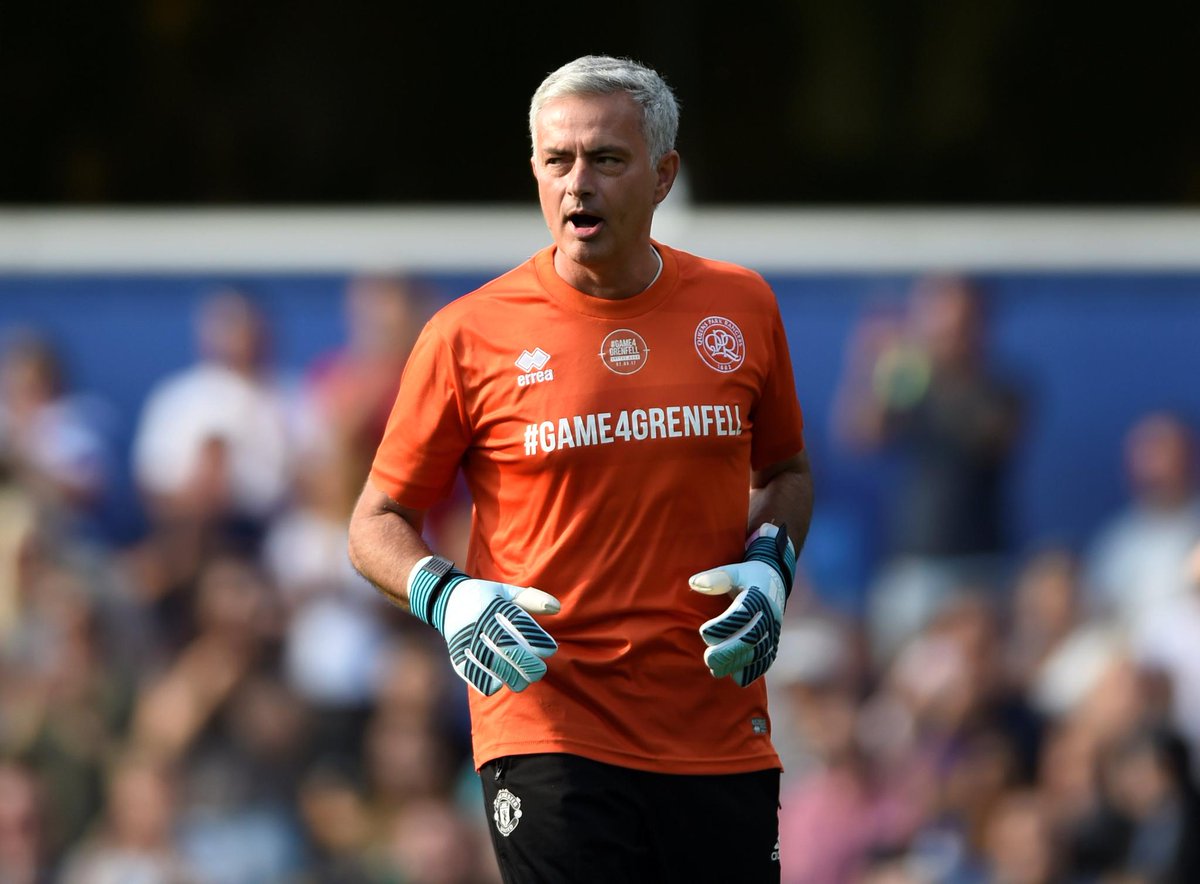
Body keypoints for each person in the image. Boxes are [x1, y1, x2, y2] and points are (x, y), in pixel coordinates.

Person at [348, 55, 812, 883]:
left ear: (663, 174)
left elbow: (787, 471)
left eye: (606, 159)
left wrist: (773, 564)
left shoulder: (742, 305)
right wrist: (448, 597)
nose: (577, 184)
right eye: (557, 161)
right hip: (549, 727)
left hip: (717, 723)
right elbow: (373, 522)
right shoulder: (466, 335)